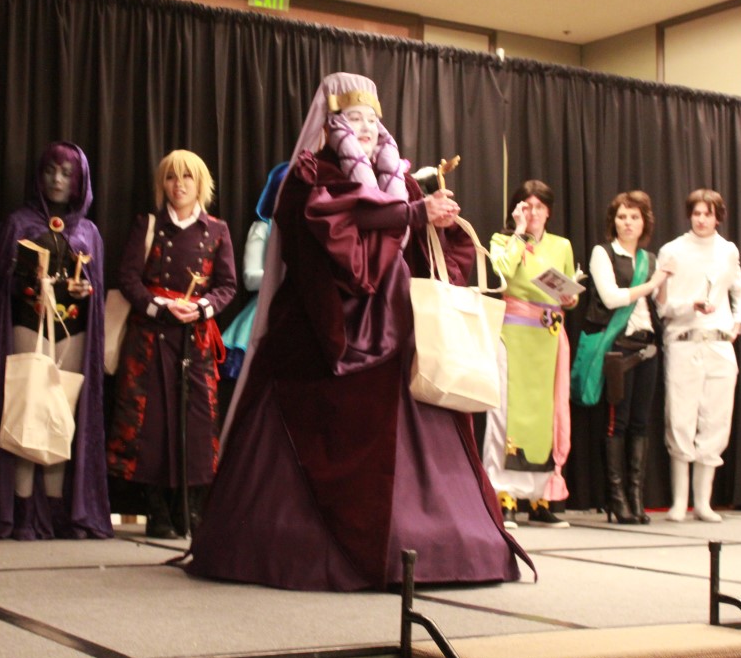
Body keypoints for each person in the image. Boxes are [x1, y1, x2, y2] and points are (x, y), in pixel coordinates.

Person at [187, 72, 530, 591]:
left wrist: (435, 224)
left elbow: (418, 253)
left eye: (373, 118)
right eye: (354, 118)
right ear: (331, 124)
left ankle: (433, 537)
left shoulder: (400, 181)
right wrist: (411, 213)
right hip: (322, 335)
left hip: (400, 335)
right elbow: (336, 239)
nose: (366, 127)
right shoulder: (310, 175)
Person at [0, 141, 114, 541]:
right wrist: (26, 279)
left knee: (61, 417)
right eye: (50, 171)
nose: (57, 180)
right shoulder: (18, 224)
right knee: (28, 412)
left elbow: (96, 289)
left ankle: (57, 512)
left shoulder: (88, 232)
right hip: (28, 324)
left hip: (73, 331)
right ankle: (23, 512)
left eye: (66, 173)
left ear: (79, 181)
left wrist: (84, 289)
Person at [106, 150, 236, 539]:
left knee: (197, 424)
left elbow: (227, 285)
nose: (178, 185)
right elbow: (128, 278)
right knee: (149, 423)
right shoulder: (147, 225)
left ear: (201, 184)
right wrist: (160, 306)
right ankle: (156, 509)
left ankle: (189, 509)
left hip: (195, 341)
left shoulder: (217, 230)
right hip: (149, 340)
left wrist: (200, 308)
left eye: (186, 177)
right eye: (171, 177)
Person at [571, 191, 673, 524]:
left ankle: (636, 498)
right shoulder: (603, 253)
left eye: (634, 217)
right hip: (618, 348)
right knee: (618, 421)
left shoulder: (650, 259)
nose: (627, 223)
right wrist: (653, 282)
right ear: (613, 221)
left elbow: (660, 304)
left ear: (644, 223)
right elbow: (612, 298)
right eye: (622, 217)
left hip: (648, 346)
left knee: (641, 422)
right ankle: (616, 500)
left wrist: (663, 284)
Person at [484, 180, 578, 529]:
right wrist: (519, 233)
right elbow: (501, 273)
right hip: (513, 333)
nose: (533, 212)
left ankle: (540, 497)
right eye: (526, 206)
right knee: (506, 412)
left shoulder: (561, 245)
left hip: (548, 337)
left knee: (547, 413)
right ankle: (503, 494)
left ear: (548, 211)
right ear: (517, 209)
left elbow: (569, 292)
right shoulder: (501, 240)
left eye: (539, 207)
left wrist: (570, 298)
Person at [656, 189, 741, 522]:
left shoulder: (727, 251)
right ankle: (679, 501)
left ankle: (703, 502)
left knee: (716, 419)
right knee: (680, 417)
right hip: (684, 341)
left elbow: (740, 288)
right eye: (696, 213)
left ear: (717, 217)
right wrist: (689, 306)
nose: (701, 219)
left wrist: (738, 322)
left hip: (720, 343)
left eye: (707, 214)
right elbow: (662, 304)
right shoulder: (673, 250)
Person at [219, 161, 289, 379]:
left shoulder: (319, 226)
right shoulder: (263, 228)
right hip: (267, 312)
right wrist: (288, 277)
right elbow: (250, 278)